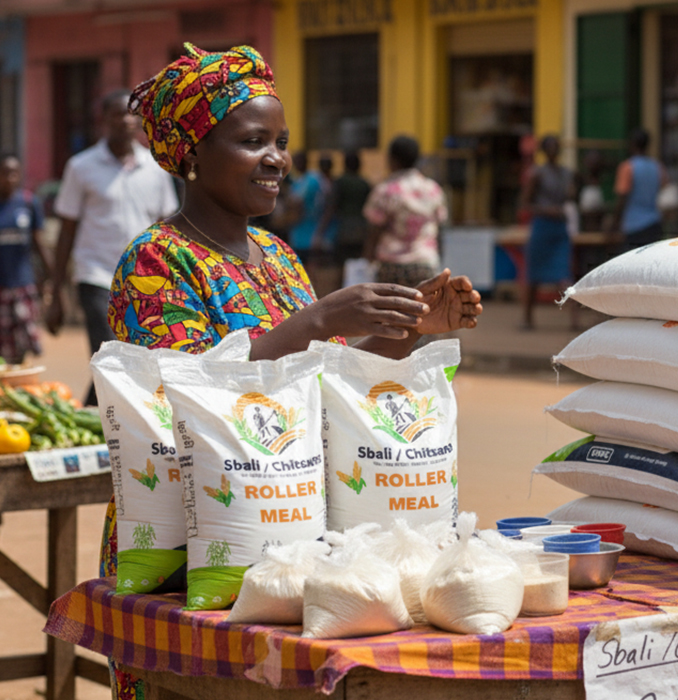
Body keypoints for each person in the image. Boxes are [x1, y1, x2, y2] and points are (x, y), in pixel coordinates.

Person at [103, 43, 481, 696]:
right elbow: (175, 397)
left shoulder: (276, 257)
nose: (278, 159)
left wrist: (412, 332)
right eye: (254, 141)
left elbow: (318, 383)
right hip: (190, 554)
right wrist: (316, 318)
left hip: (285, 544)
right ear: (192, 154)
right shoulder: (157, 261)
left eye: (281, 142)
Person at [46, 89, 179, 404]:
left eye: (131, 113)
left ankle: (89, 416)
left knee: (137, 359)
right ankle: (94, 423)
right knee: (111, 356)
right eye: (117, 114)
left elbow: (166, 229)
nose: (125, 120)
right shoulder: (81, 167)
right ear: (102, 121)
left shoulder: (156, 167)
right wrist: (55, 292)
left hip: (145, 280)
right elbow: (67, 230)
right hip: (96, 276)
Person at [363, 135, 448, 288]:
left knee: (390, 310)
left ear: (393, 159)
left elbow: (374, 228)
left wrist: (368, 260)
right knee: (422, 310)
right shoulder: (433, 189)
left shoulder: (386, 190)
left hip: (392, 266)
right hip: (425, 263)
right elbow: (440, 227)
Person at [519, 134, 579, 330]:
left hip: (559, 228)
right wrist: (547, 210)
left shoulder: (566, 173)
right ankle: (527, 319)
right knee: (533, 275)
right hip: (542, 226)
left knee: (564, 274)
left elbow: (571, 197)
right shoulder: (537, 173)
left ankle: (574, 320)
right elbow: (526, 203)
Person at [0, 153, 49, 364]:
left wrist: (51, 279)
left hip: (23, 285)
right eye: (4, 173)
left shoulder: (28, 203)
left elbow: (39, 244)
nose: (9, 178)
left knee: (22, 343)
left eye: (14, 173)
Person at [319, 150, 373, 283]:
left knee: (341, 266)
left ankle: (341, 295)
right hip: (361, 230)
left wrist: (321, 230)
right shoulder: (365, 183)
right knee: (359, 266)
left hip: (343, 230)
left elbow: (331, 207)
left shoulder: (340, 182)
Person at [612, 128, 668, 251]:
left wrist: (614, 223)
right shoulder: (657, 167)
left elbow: (622, 198)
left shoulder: (627, 167)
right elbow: (664, 192)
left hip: (634, 226)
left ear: (632, 144)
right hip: (654, 223)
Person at [286, 151, 328, 264]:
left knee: (312, 266)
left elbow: (297, 203)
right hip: (298, 232)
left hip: (311, 230)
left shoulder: (312, 180)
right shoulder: (298, 181)